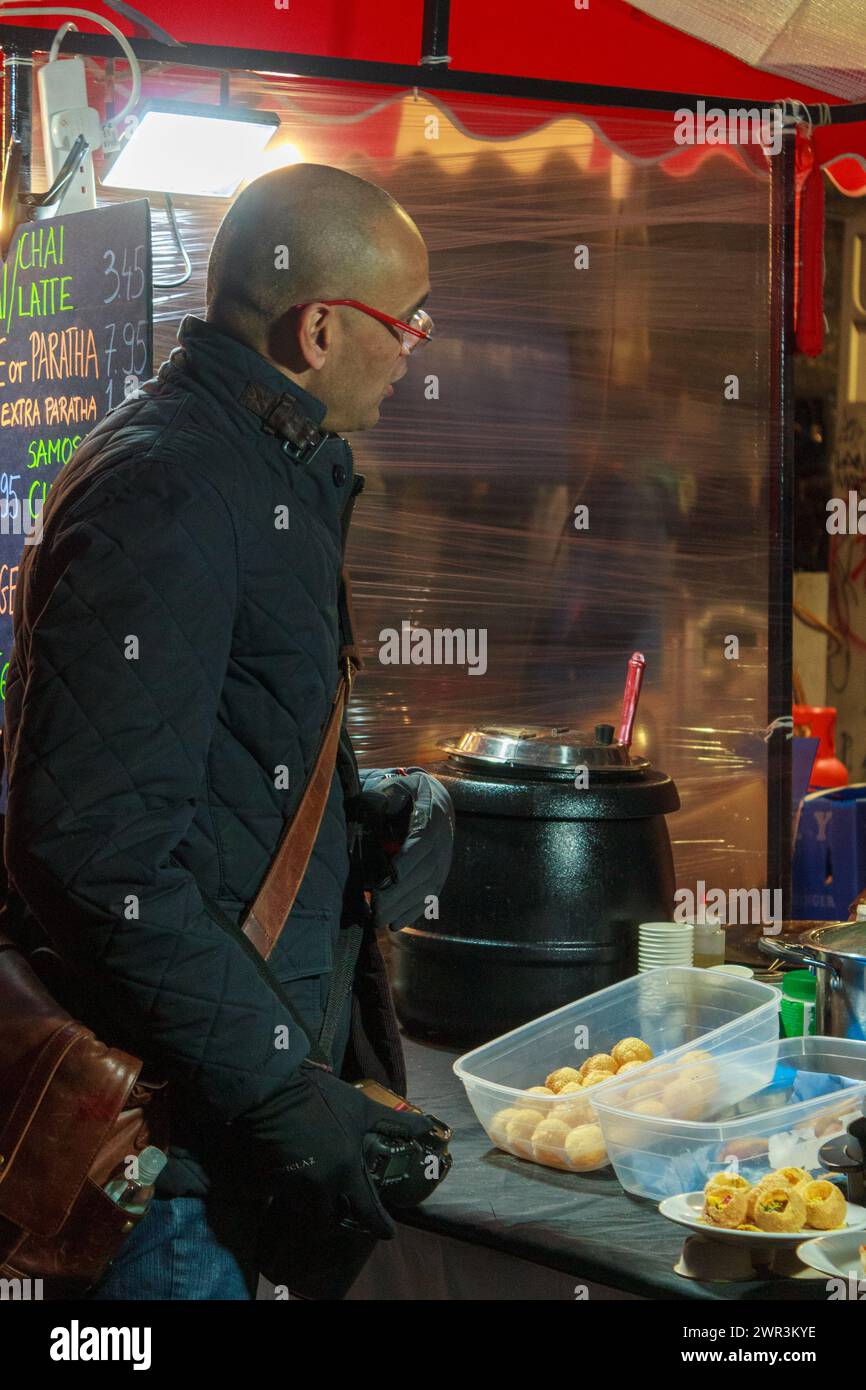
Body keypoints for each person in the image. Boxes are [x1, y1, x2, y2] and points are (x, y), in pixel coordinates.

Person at [1, 163, 455, 1300]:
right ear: (317, 328)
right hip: (161, 1175)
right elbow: (90, 849)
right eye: (405, 323)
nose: (413, 350)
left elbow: (205, 764)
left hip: (211, 1145)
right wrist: (274, 1086)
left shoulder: (260, 468)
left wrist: (358, 819)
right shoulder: (173, 487)